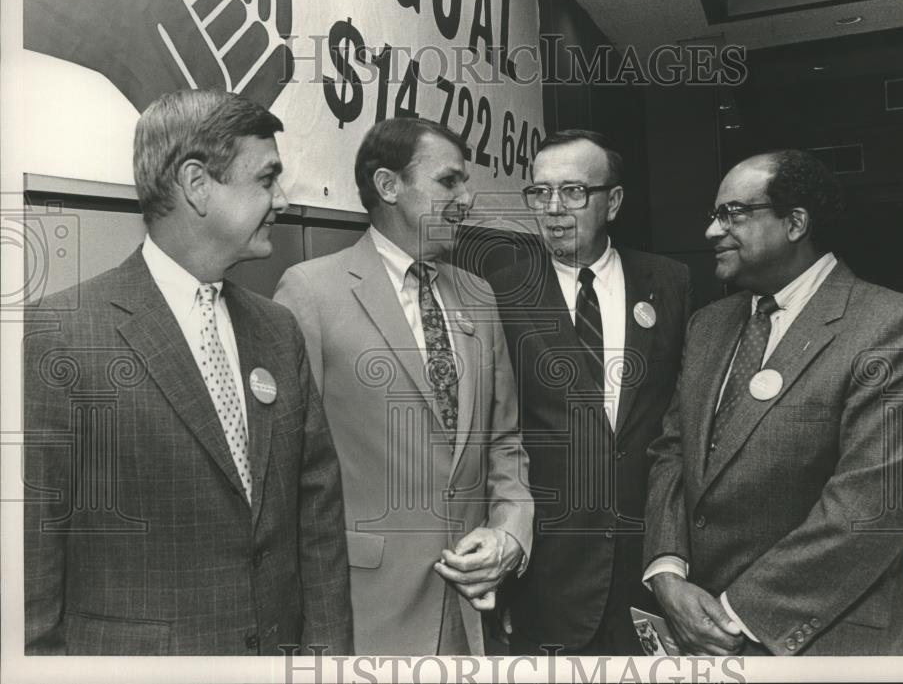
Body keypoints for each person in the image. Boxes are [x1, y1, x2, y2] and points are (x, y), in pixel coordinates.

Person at [23, 89, 353, 655]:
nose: (281, 199)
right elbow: (31, 552)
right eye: (266, 178)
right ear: (198, 185)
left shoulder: (277, 329)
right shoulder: (61, 333)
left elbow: (317, 515)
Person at [643, 150, 903, 656]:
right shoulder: (708, 325)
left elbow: (870, 511)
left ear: (795, 223)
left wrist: (735, 614)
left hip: (819, 638)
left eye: (732, 214)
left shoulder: (897, 328)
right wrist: (667, 570)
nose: (711, 232)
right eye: (713, 216)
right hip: (693, 626)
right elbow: (673, 452)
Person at [273, 117, 533, 656]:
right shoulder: (311, 293)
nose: (467, 197)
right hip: (362, 614)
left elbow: (504, 443)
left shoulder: (480, 296)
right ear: (389, 185)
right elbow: (286, 465)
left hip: (469, 611)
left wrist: (510, 531)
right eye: (449, 181)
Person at [489, 130, 691, 655]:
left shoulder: (670, 283)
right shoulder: (501, 293)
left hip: (649, 568)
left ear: (614, 201)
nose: (553, 209)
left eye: (573, 191)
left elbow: (680, 423)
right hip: (547, 577)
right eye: (540, 192)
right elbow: (494, 438)